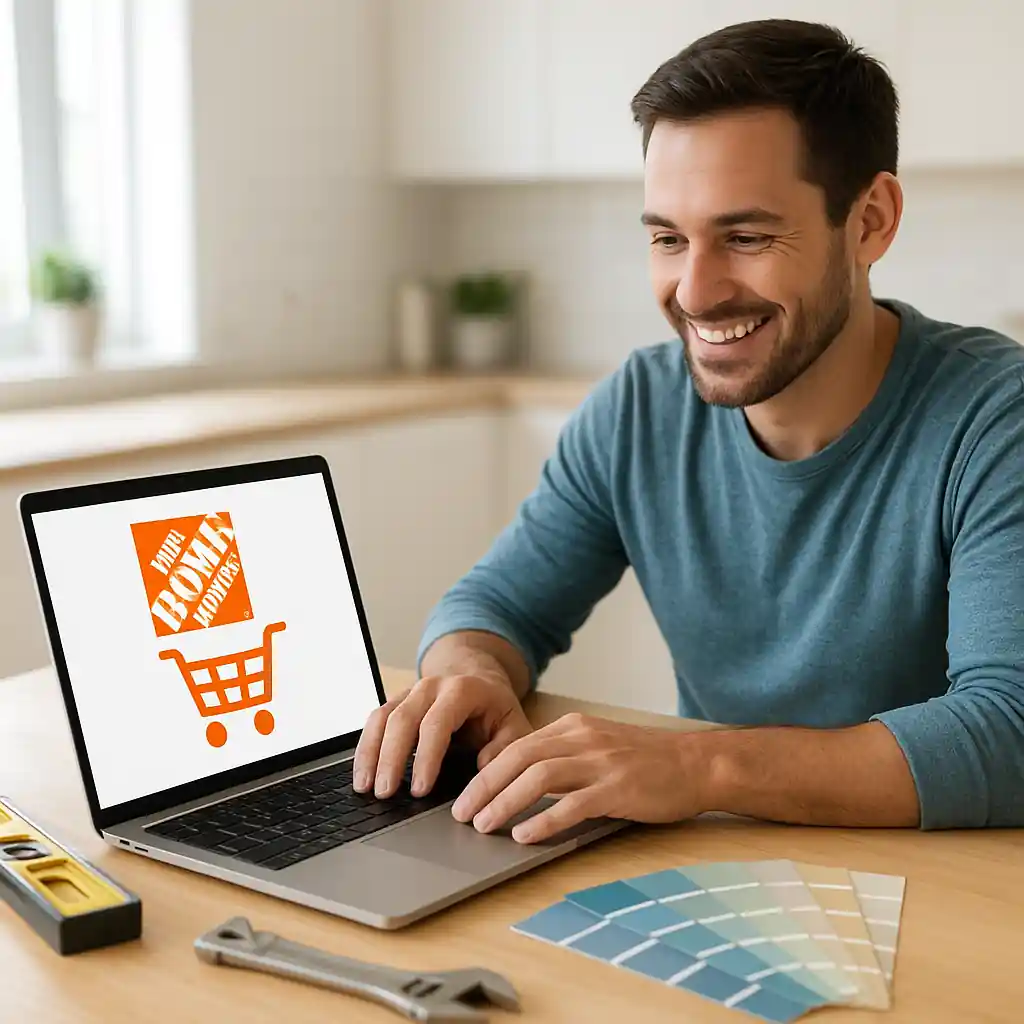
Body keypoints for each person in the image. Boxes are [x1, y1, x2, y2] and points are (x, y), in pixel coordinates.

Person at [353, 18, 1024, 841]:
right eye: (669, 239)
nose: (696, 293)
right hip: (715, 870)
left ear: (870, 221)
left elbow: (1008, 731)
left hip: (954, 891)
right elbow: (494, 605)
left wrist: (698, 765)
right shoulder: (639, 408)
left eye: (746, 237)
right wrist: (467, 672)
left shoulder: (996, 419)